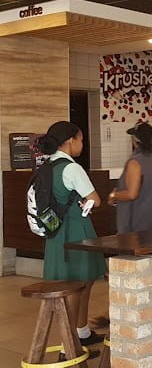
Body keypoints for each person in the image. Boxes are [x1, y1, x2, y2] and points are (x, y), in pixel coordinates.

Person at [38, 121, 106, 356]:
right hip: (76, 232)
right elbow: (95, 199)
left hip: (57, 232)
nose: (82, 144)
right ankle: (70, 347)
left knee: (83, 283)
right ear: (69, 141)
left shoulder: (49, 165)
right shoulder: (72, 168)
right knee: (77, 286)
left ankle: (83, 332)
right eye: (81, 139)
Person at [108, 122, 152, 232]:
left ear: (134, 140)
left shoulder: (135, 162)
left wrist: (114, 195)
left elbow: (132, 194)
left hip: (136, 224)